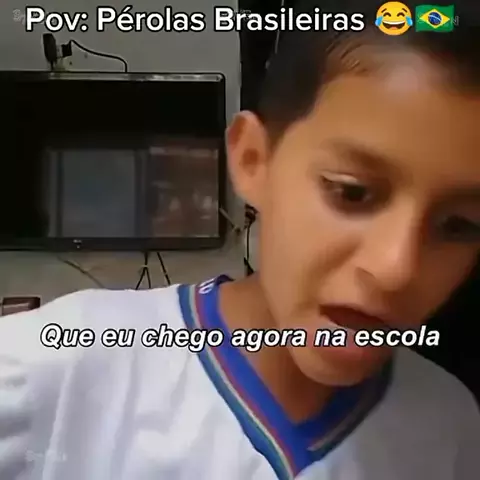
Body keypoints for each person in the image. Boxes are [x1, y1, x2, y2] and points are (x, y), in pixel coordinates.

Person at [1, 1, 479, 478]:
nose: (398, 268)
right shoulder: (50, 366)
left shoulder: (449, 424)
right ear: (253, 160)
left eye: (459, 225)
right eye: (351, 193)